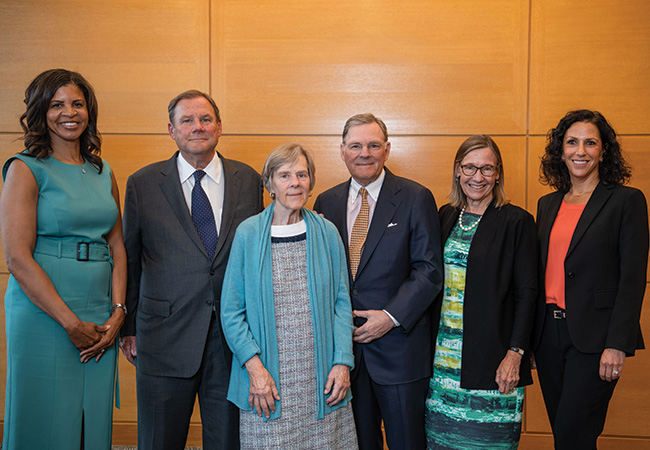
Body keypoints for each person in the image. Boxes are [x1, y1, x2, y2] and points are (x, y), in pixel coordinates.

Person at [120, 90, 263, 450]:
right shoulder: (142, 183)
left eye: (205, 119)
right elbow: (131, 259)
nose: (197, 127)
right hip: (163, 337)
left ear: (219, 127)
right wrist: (129, 326)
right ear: (171, 130)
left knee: (229, 441)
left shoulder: (247, 179)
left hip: (232, 340)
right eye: (187, 120)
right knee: (159, 441)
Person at [0, 69, 126, 449]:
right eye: (56, 105)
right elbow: (17, 257)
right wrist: (70, 323)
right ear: (41, 112)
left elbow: (117, 246)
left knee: (92, 417)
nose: (68, 112)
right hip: (45, 313)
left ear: (89, 111)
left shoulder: (103, 171)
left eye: (77, 103)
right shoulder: (25, 168)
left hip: (101, 312)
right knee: (45, 419)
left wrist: (119, 311)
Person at [313, 113, 442, 450]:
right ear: (342, 151)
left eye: (372, 145)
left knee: (407, 442)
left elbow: (429, 270)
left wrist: (389, 317)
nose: (364, 153)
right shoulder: (326, 202)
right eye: (355, 145)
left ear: (387, 149)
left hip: (399, 351)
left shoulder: (416, 197)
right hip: (345, 355)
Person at [221, 142, 358, 449]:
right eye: (284, 175)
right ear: (269, 183)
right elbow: (231, 312)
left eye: (302, 174)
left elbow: (340, 304)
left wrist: (342, 363)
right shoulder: (248, 233)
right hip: (267, 383)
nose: (295, 182)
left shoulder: (327, 232)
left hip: (323, 382)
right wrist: (254, 370)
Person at [534, 109, 649, 450]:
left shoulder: (626, 201)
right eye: (571, 142)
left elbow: (632, 279)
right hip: (548, 337)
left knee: (574, 435)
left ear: (603, 151)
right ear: (561, 150)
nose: (580, 151)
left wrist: (617, 343)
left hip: (596, 339)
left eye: (590, 143)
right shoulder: (547, 204)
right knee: (565, 435)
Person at [424, 135, 537, 449]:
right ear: (457, 171)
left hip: (493, 363)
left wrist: (516, 355)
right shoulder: (445, 215)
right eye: (470, 168)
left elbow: (527, 293)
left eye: (487, 169)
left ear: (498, 173)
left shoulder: (517, 221)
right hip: (442, 364)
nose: (478, 177)